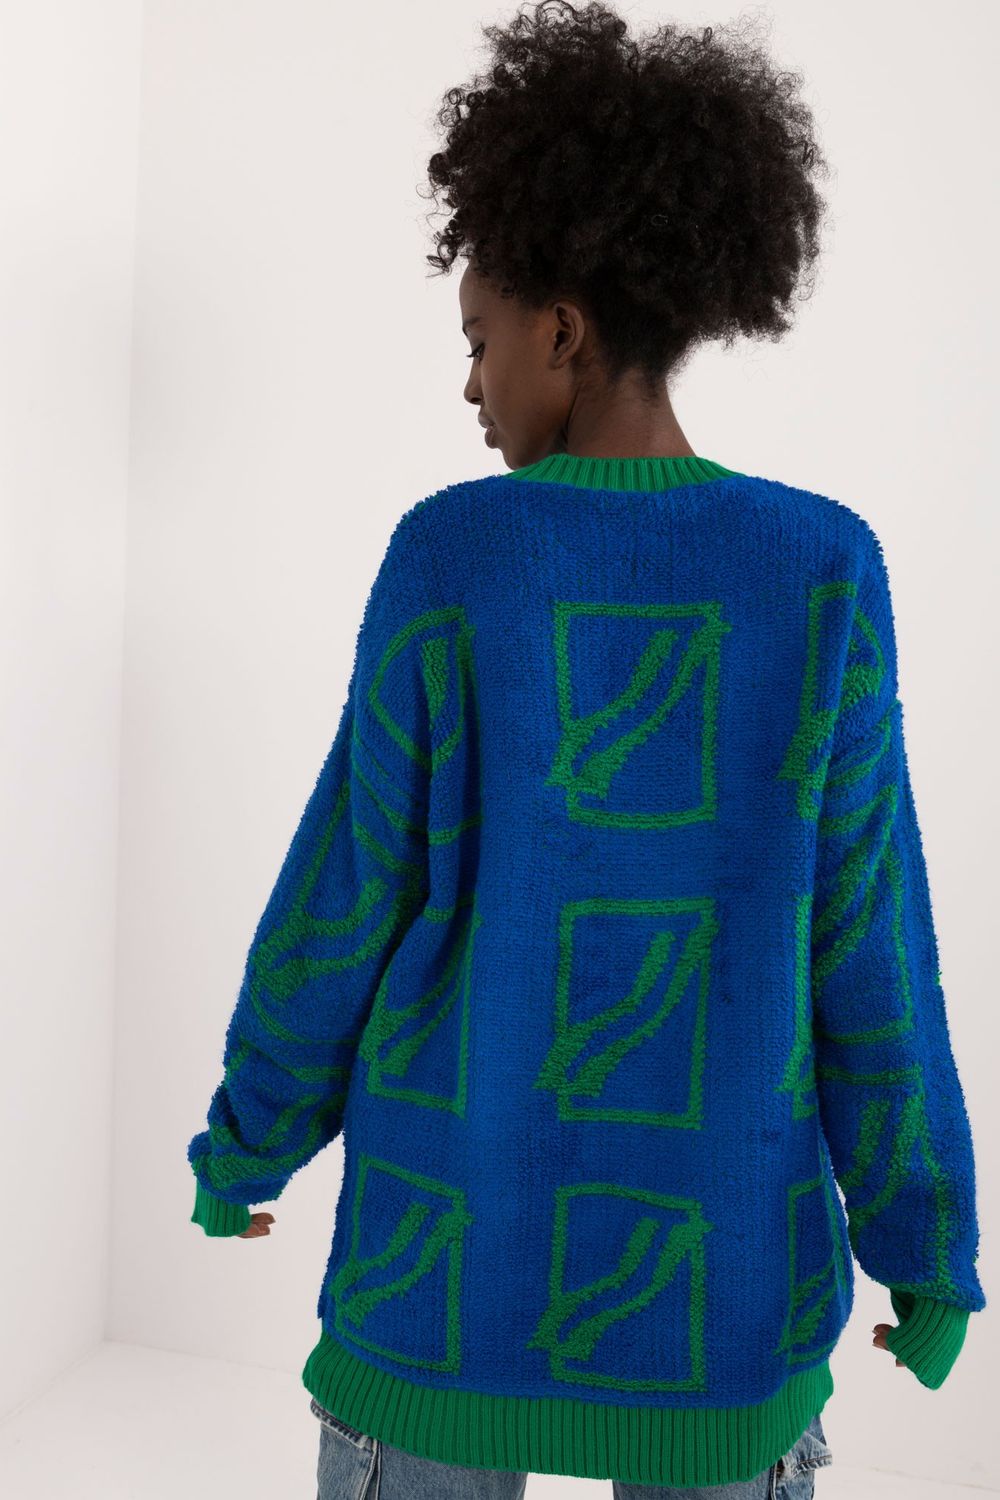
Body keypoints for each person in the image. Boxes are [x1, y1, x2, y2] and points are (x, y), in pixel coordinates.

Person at [186, 4, 986, 1496]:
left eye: (478, 340)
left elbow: (346, 892)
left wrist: (248, 1138)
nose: (469, 385)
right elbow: (871, 940)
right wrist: (925, 1246)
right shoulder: (822, 570)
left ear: (560, 330)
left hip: (441, 1274)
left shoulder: (453, 556)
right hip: (721, 1298)